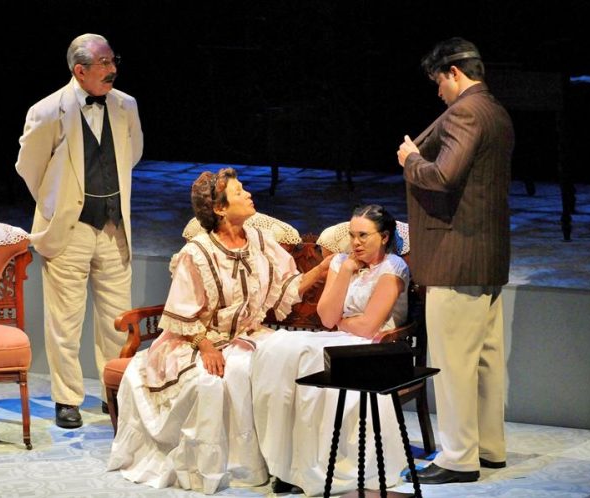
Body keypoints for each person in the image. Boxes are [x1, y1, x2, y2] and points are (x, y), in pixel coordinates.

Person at [107, 167, 331, 494]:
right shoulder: (196, 254)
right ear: (220, 208)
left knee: (282, 364)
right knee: (214, 382)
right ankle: (225, 466)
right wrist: (206, 346)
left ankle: (286, 461)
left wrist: (322, 269)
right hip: (192, 343)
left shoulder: (259, 241)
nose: (249, 195)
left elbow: (287, 287)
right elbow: (181, 316)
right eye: (239, 192)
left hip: (241, 337)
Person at [396, 37, 514, 484]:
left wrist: (411, 160)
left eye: (438, 82)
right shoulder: (495, 110)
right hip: (485, 256)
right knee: (484, 359)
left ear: (453, 72)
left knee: (452, 364)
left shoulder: (466, 111)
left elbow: (444, 175)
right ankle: (489, 448)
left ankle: (458, 458)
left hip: (455, 257)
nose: (438, 92)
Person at [15, 33, 144, 428]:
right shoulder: (48, 110)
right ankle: (67, 399)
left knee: (115, 318)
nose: (113, 70)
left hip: (112, 226)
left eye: (113, 61)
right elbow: (30, 168)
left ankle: (112, 392)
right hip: (69, 230)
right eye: (104, 64)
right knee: (65, 320)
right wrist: (59, 203)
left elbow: (132, 154)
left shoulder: (126, 105)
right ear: (80, 70)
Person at [252, 204, 410, 495]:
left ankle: (320, 467)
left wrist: (343, 321)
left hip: (377, 348)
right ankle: (289, 464)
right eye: (352, 235)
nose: (356, 243)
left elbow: (368, 327)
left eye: (364, 236)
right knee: (279, 347)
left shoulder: (393, 268)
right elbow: (327, 318)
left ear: (385, 237)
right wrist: (347, 271)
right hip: (340, 338)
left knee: (314, 364)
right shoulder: (341, 263)